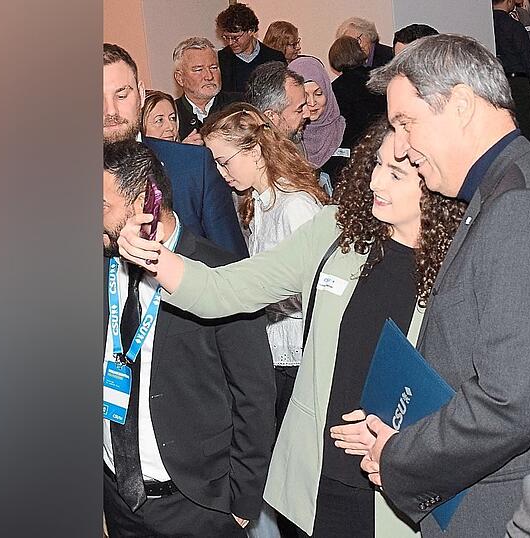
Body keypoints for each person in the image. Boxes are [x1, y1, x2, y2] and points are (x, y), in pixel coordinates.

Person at [114, 119, 467, 537]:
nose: (374, 181)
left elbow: (472, 392)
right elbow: (228, 288)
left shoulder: (464, 258)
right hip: (316, 477)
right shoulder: (337, 231)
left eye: (395, 173)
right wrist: (155, 257)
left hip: (399, 482)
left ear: (435, 176)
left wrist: (403, 445)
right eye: (374, 165)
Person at [331, 33, 530, 537]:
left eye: (407, 123)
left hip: (496, 507)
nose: (403, 146)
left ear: (461, 106)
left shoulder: (520, 205)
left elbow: (510, 401)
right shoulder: (502, 187)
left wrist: (399, 457)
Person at [101, 140, 275, 537]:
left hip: (199, 507)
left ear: (145, 200)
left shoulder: (222, 275)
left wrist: (241, 501)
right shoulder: (102, 265)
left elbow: (255, 395)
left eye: (103, 206)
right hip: (119, 498)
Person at [202, 104, 327, 538]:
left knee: (289, 478)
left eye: (224, 160)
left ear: (255, 150)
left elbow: (315, 292)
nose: (221, 173)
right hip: (274, 354)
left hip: (294, 360)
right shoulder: (258, 201)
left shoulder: (295, 206)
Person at [104, 43, 248, 258]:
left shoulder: (193, 166)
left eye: (122, 95)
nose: (111, 110)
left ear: (141, 95)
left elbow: (232, 266)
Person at [288, 56, 347, 192]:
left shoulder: (344, 132)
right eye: (305, 96)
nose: (312, 103)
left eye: (319, 94)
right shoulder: (284, 138)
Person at [172, 37, 244, 144]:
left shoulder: (240, 106)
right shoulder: (172, 115)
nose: (209, 76)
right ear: (180, 78)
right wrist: (182, 151)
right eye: (199, 70)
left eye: (214, 68)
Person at [492, 0, 530, 146]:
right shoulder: (513, 25)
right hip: (518, 82)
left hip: (496, 82)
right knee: (527, 131)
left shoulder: (485, 23)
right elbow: (528, 56)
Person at [330, 36, 387, 152]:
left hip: (353, 145)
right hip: (382, 137)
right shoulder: (376, 78)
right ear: (358, 52)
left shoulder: (336, 87)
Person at [217, 3, 287, 93]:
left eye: (235, 38)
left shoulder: (275, 58)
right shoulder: (221, 59)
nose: (230, 42)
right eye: (226, 37)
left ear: (251, 31)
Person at [245, 61, 309, 145]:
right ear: (270, 116)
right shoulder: (250, 155)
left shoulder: (293, 141)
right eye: (299, 109)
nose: (308, 114)